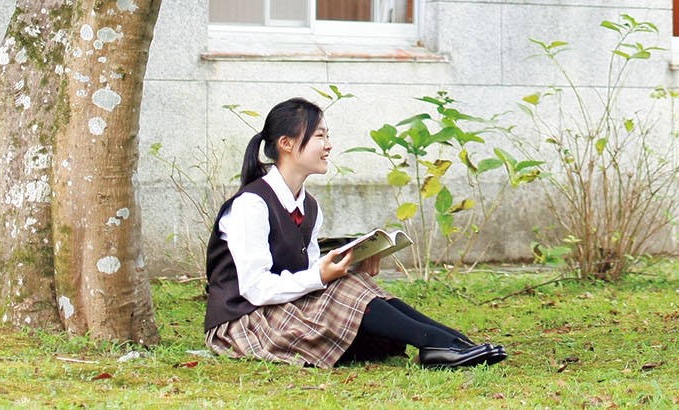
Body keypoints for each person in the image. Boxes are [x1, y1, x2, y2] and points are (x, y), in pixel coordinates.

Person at [204, 97, 507, 370]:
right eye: (319, 136)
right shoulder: (251, 205)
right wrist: (322, 276)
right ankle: (440, 344)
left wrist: (349, 264)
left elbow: (305, 273)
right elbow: (255, 289)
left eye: (327, 136)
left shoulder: (309, 206)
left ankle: (452, 341)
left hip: (281, 310)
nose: (328, 145)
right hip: (243, 323)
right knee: (347, 292)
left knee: (362, 302)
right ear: (286, 144)